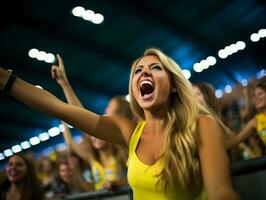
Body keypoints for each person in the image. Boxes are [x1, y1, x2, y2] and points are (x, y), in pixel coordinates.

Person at [0, 48, 239, 199]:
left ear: (174, 84)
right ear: (134, 90)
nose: (144, 73)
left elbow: (221, 193)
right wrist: (6, 80)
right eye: (138, 71)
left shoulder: (201, 126)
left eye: (155, 68)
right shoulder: (128, 130)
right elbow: (60, 109)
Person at [51, 55, 129, 190]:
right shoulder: (92, 157)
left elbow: (134, 179)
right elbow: (80, 115)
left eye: (110, 109)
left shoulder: (121, 149)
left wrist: (116, 184)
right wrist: (64, 84)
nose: (106, 111)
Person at [227, 79, 266, 150]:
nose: (256, 98)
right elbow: (237, 139)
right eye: (254, 96)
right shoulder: (256, 121)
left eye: (260, 94)